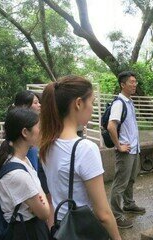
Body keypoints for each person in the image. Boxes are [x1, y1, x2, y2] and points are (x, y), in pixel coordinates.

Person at [39, 75, 121, 240]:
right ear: (78, 103)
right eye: (91, 101)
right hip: (81, 230)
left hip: (60, 228)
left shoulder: (45, 143)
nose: (92, 107)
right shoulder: (84, 148)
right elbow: (103, 214)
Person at [0, 107, 50, 239]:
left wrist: (35, 198)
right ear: (25, 132)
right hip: (27, 232)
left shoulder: (21, 159)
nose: (41, 130)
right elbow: (44, 213)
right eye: (38, 126)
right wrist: (40, 193)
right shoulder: (18, 174)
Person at [108, 71, 145, 229]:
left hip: (133, 149)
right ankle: (116, 216)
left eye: (135, 82)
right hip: (125, 150)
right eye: (131, 82)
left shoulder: (129, 102)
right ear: (122, 85)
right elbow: (111, 126)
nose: (134, 84)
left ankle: (129, 204)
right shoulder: (119, 103)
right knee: (120, 184)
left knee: (130, 179)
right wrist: (119, 146)